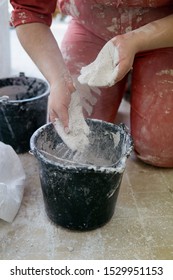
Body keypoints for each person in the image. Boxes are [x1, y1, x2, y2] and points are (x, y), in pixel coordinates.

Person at [10, 0, 173, 167]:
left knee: (161, 149)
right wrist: (58, 79)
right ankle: (125, 84)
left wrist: (136, 40)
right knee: (75, 138)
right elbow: (29, 10)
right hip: (93, 25)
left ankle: (132, 81)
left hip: (162, 32)